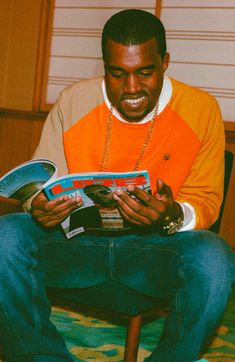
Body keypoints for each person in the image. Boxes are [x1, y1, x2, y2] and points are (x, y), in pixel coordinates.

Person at [0, 8, 234, 362]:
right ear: (104, 66)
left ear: (165, 62)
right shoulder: (73, 101)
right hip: (78, 248)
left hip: (153, 253)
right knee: (7, 235)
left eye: (145, 72)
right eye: (118, 73)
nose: (132, 88)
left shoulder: (201, 109)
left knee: (214, 257)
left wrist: (172, 214)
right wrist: (40, 206)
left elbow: (205, 201)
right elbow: (44, 181)